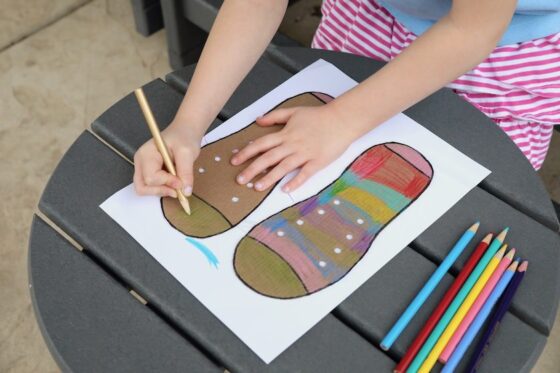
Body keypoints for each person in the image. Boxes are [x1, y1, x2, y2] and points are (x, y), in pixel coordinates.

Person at [133, 0, 560, 199]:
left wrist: (341, 120)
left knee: (467, 199)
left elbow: (471, 32)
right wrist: (189, 124)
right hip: (371, 15)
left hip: (501, 56)